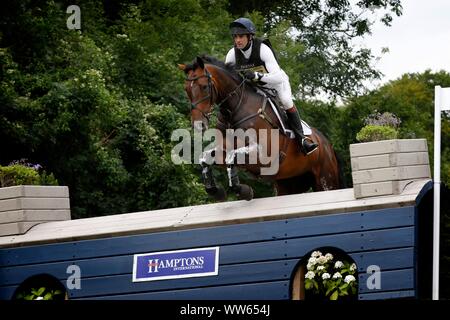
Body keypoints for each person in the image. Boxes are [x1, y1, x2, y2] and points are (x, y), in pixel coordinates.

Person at [225, 17, 318, 155]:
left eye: (241, 36)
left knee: (286, 101)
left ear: (250, 37)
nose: (237, 40)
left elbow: (278, 77)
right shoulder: (232, 54)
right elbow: (228, 78)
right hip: (255, 89)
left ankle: (302, 140)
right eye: (235, 37)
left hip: (276, 84)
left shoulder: (262, 49)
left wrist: (257, 76)